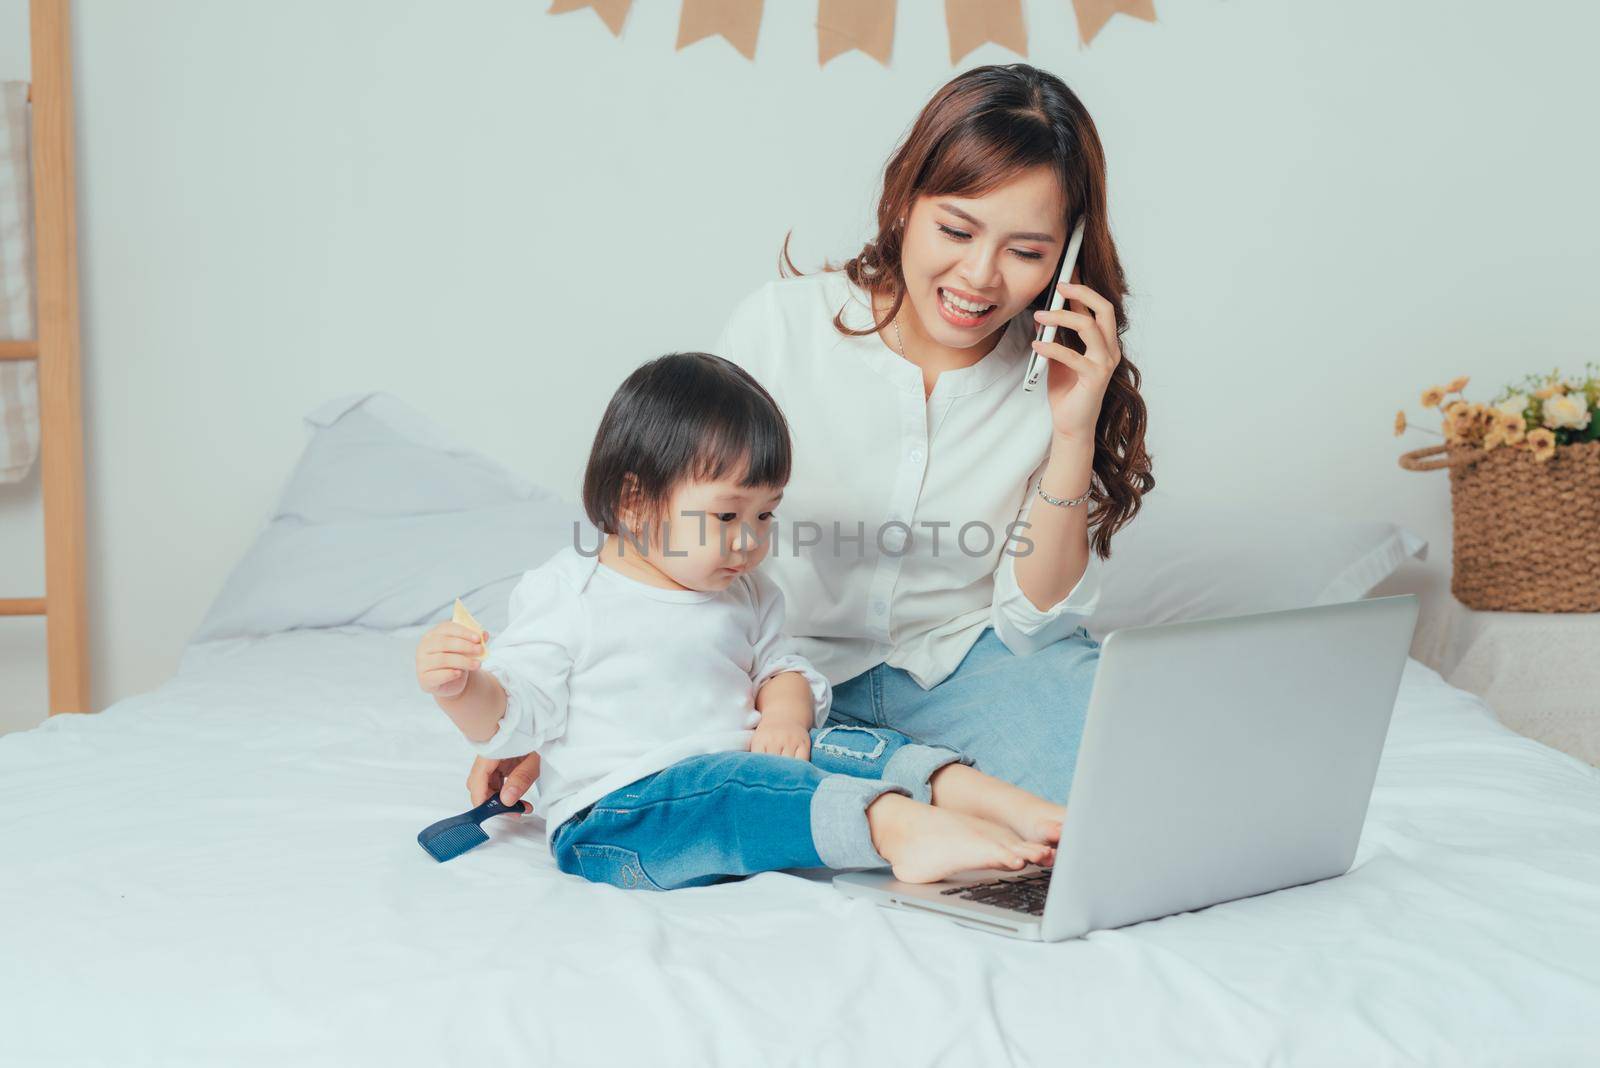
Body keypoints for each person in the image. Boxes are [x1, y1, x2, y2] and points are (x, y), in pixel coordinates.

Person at [467, 62, 1153, 814]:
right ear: (903, 201)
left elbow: (1032, 624)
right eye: (955, 229)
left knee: (1132, 787)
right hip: (775, 678)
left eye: (1026, 252)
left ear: (1068, 253)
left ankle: (909, 780)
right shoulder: (782, 327)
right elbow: (663, 533)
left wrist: (1072, 430)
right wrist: (549, 717)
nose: (980, 277)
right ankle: (908, 784)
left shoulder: (1050, 376)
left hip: (963, 666)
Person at [417, 352, 1066, 889]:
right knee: (736, 785)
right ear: (636, 501)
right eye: (727, 517)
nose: (749, 540)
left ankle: (1003, 805)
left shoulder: (745, 590)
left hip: (738, 771)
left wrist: (785, 712)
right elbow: (514, 715)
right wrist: (463, 689)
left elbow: (781, 665)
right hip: (621, 820)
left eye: (765, 516)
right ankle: (898, 831)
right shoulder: (571, 592)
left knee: (847, 740)